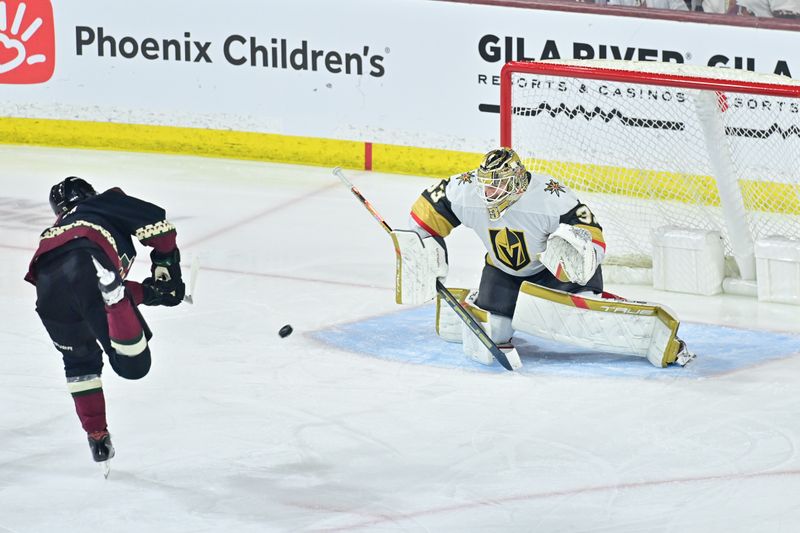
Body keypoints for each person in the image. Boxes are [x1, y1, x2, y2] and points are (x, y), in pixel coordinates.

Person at [397, 148, 695, 369]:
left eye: (496, 184)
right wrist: (422, 250)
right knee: (494, 337)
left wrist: (575, 253)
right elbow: (425, 215)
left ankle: (608, 301)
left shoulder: (550, 197)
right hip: (504, 273)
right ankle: (488, 301)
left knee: (581, 322)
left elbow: (593, 235)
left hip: (554, 273)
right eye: (486, 183)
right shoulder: (466, 191)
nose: (488, 192)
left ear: (516, 182)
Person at [24, 176, 185, 466]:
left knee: (79, 365)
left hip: (49, 295)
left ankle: (97, 436)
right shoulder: (101, 203)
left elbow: (78, 288)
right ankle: (114, 299)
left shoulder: (53, 231)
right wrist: (167, 262)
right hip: (90, 265)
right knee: (133, 366)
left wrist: (151, 292)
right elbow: (160, 226)